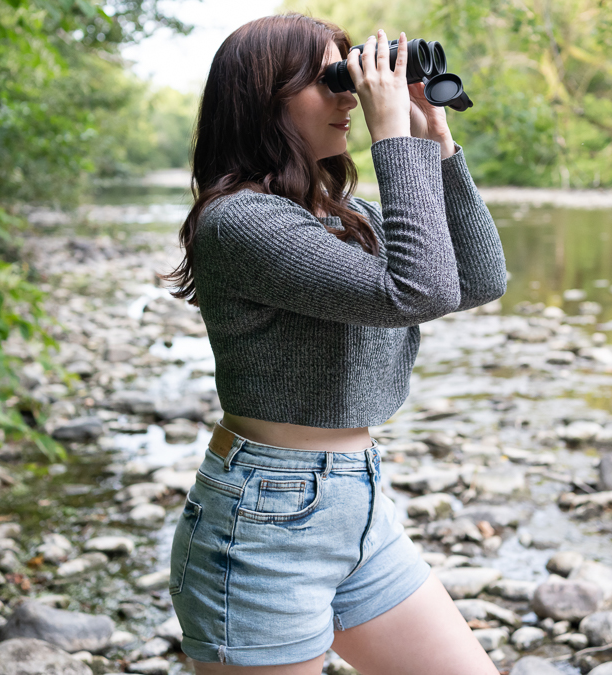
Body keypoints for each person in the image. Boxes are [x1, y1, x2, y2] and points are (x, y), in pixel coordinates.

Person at [162, 13, 507, 675]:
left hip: (360, 506)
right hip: (265, 523)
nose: (350, 94)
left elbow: (477, 278)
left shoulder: (343, 217)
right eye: (329, 80)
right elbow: (417, 292)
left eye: (350, 76)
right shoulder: (239, 221)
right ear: (264, 98)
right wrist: (390, 136)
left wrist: (435, 139)